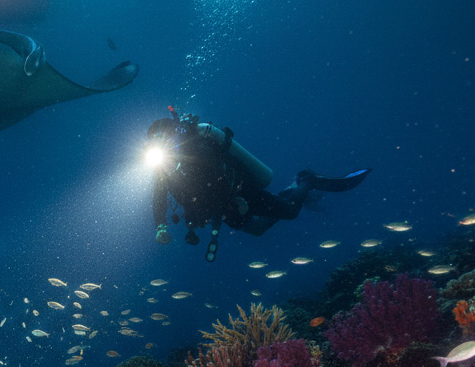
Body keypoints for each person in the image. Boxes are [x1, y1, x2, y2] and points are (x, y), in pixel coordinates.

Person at [146, 108, 370, 261]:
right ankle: (291, 190)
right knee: (258, 229)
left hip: (243, 194)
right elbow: (158, 198)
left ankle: (306, 181)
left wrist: (235, 200)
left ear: (173, 137)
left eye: (163, 140)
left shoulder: (199, 150)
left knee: (290, 212)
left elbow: (218, 178)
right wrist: (160, 226)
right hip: (220, 210)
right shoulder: (164, 168)